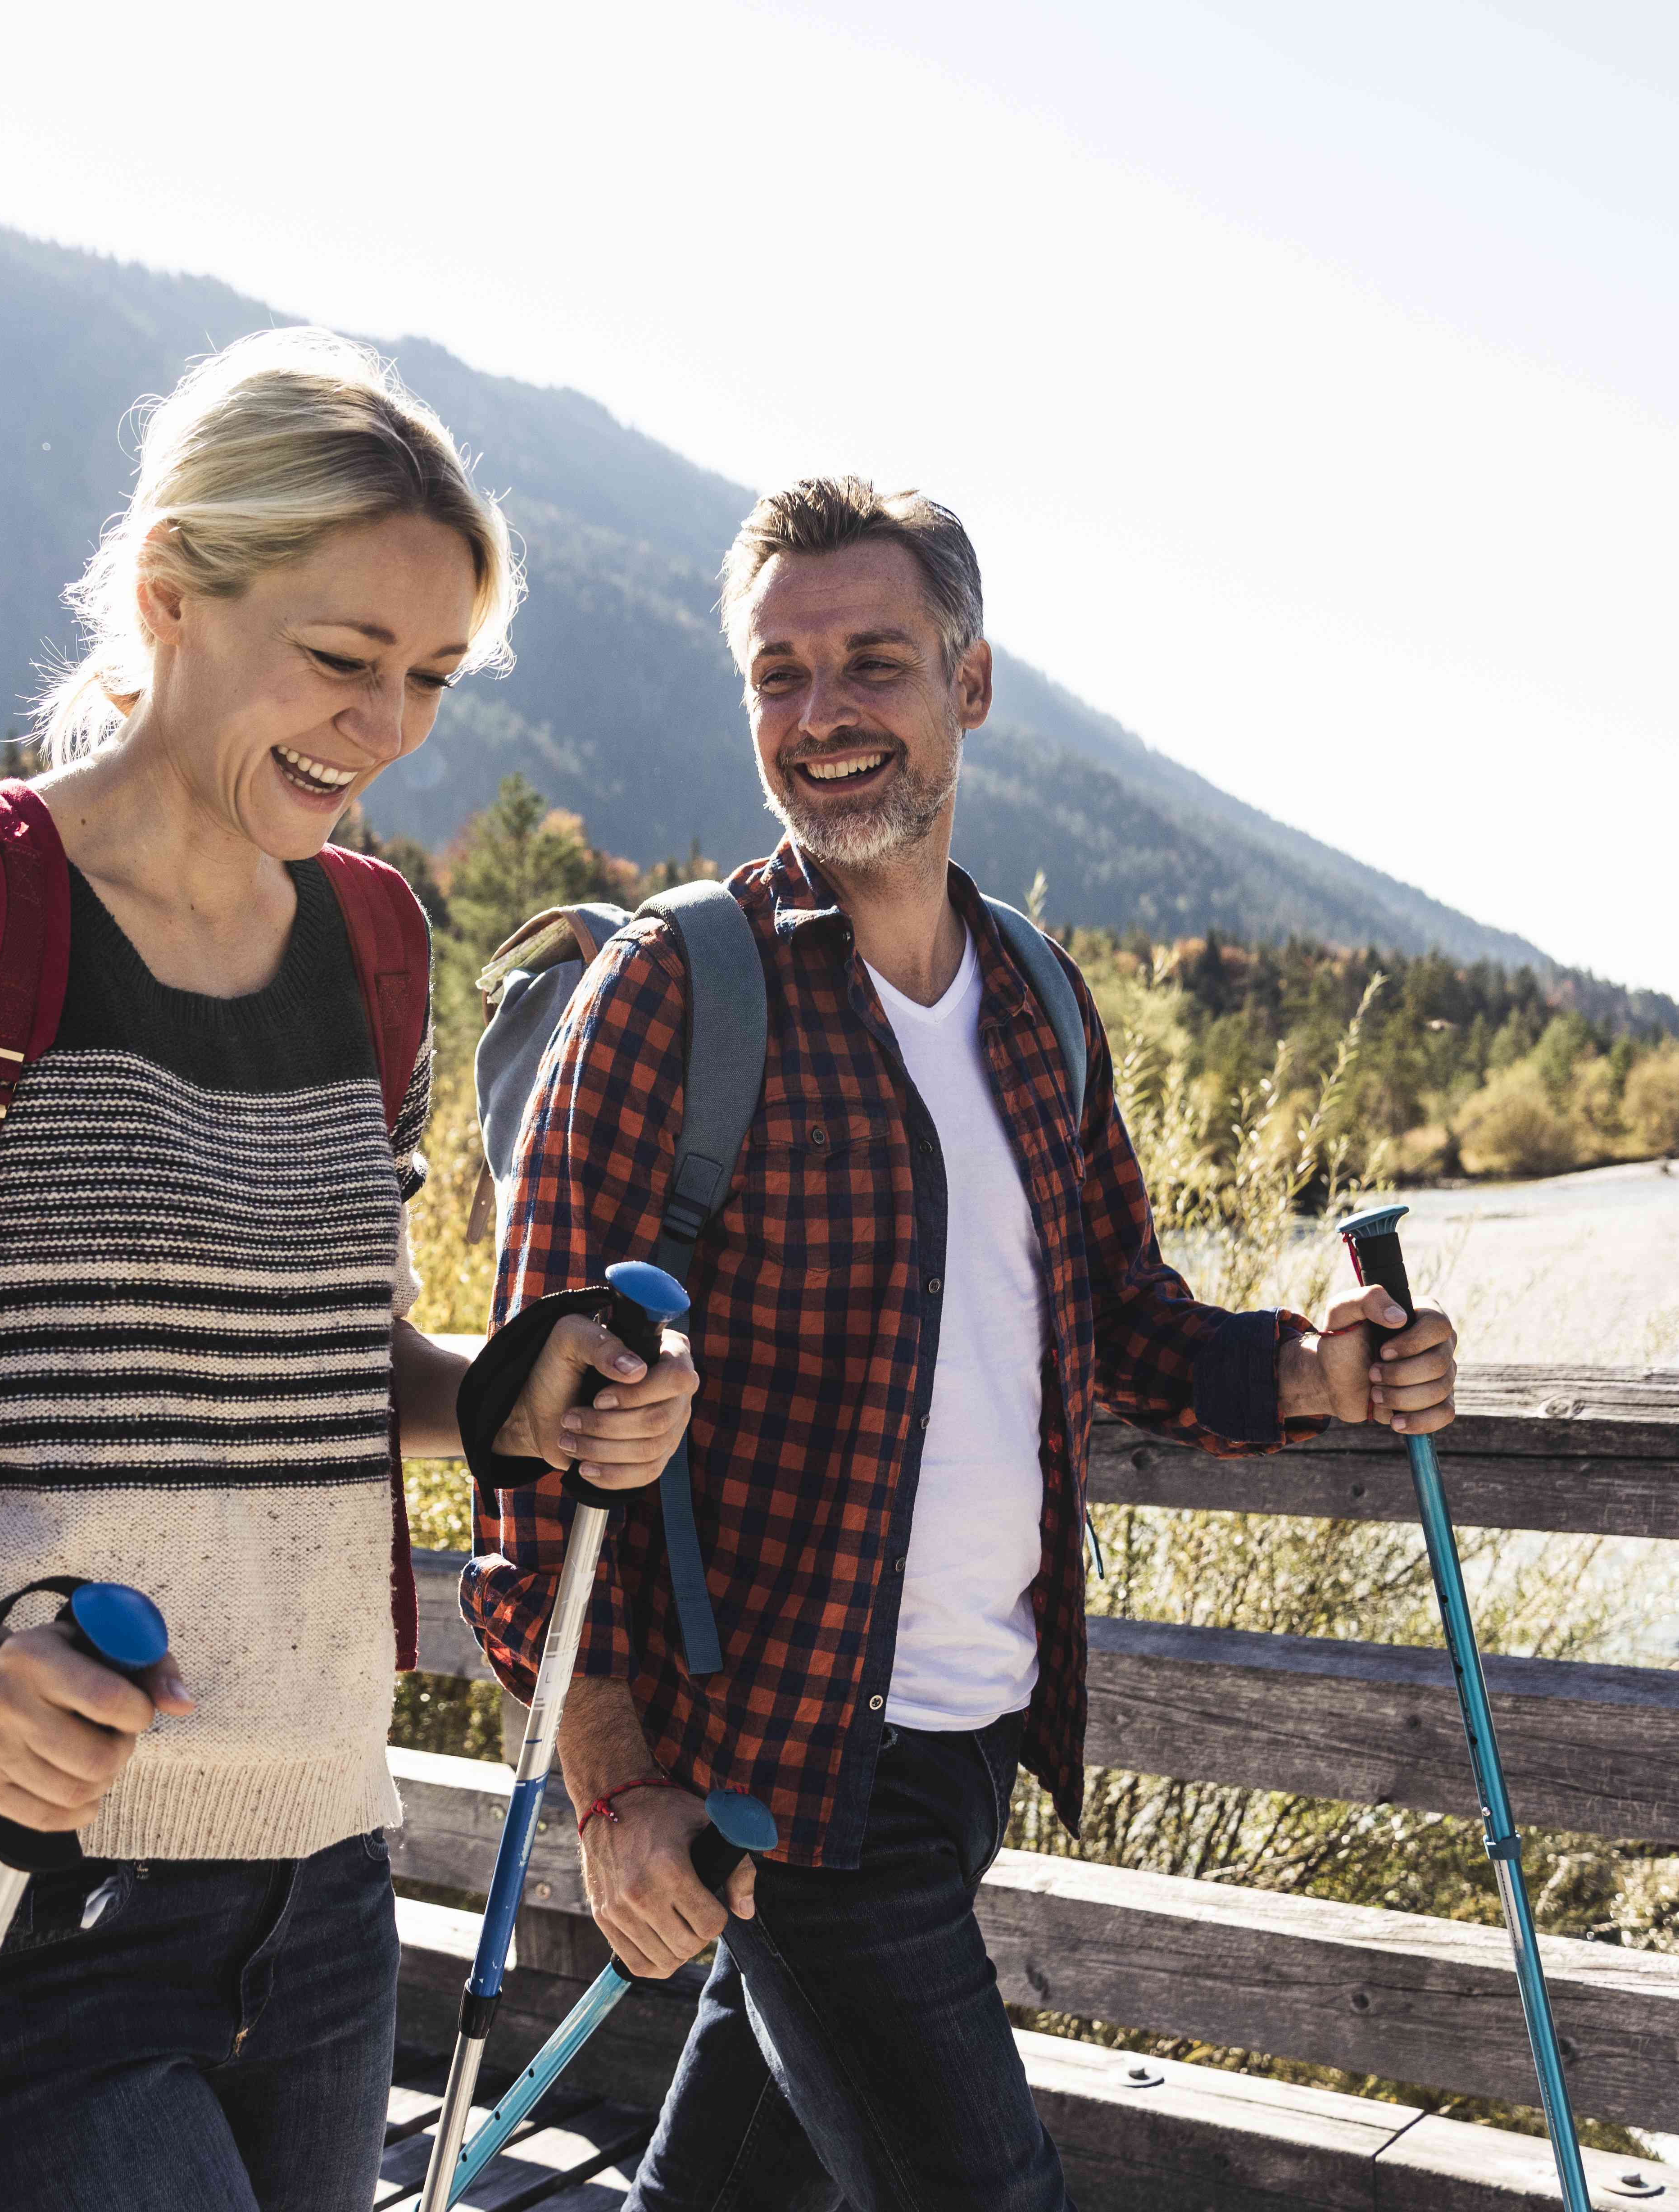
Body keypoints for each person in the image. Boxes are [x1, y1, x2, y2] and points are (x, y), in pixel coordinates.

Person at [0, 328, 699, 2212]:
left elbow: (330, 1368)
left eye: (431, 679)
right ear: (170, 593)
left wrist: (509, 1396)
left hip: (323, 1886)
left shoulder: (371, 950)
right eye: (344, 658)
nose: (383, 727)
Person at [464, 476, 1461, 2212]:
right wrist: (610, 1782)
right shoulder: (675, 994)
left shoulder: (1036, 1002)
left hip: (967, 1745)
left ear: (969, 685)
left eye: (874, 663)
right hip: (777, 1775)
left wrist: (1319, 1370)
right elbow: (537, 1437)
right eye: (781, 675)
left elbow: (1121, 1321)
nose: (824, 715)